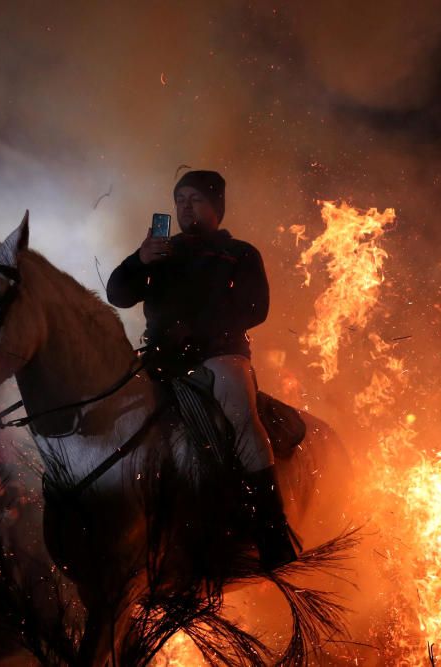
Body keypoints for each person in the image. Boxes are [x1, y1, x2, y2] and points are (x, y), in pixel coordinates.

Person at [106, 169, 298, 570]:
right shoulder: (160, 252)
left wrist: (197, 331)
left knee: (240, 414)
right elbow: (118, 295)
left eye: (195, 199)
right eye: (180, 200)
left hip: (220, 356)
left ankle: (271, 527)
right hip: (161, 360)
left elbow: (254, 309)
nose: (185, 207)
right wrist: (138, 260)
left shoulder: (240, 253)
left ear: (216, 207)